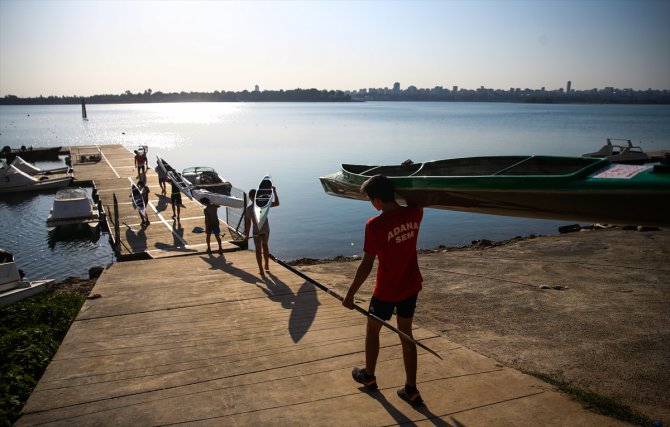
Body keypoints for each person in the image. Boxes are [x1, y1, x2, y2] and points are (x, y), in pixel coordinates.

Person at [342, 174, 425, 407]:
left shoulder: (374, 225)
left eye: (370, 199)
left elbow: (367, 264)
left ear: (377, 200)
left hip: (386, 291)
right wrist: (404, 174)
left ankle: (369, 376)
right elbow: (413, 197)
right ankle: (411, 389)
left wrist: (350, 295)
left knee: (373, 329)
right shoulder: (415, 212)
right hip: (410, 287)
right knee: (406, 335)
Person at [244, 186, 279, 276]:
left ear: (251, 197)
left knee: (258, 250)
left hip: (257, 232)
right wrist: (274, 192)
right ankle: (267, 265)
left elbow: (248, 223)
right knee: (265, 245)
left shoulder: (249, 209)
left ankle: (261, 269)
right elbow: (277, 203)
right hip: (266, 229)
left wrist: (247, 235)